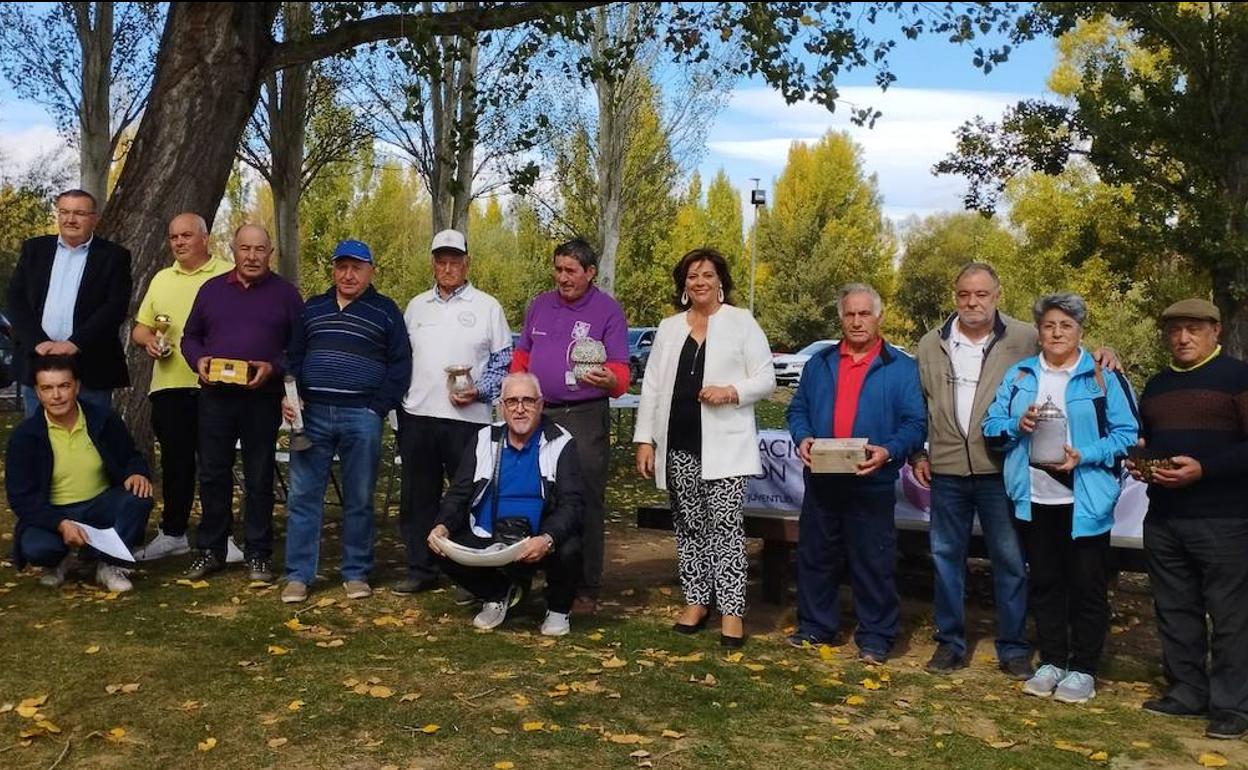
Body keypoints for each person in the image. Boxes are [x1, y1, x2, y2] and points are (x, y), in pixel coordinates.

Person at [983, 292, 1137, 705]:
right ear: (1039, 331)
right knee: (1046, 583)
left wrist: (1084, 456)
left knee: (1086, 587)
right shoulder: (1020, 375)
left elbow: (1127, 435)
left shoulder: (1102, 376)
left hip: (1085, 499)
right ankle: (1051, 660)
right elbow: (991, 426)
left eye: (1065, 325)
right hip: (1033, 497)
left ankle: (1084, 668)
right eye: (1049, 325)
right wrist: (1018, 423)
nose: (1056, 332)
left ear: (1080, 330)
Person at [633, 248, 775, 648]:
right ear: (683, 284)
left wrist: (732, 391)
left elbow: (766, 379)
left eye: (707, 275)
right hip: (678, 443)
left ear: (720, 281)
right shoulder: (669, 327)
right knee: (689, 525)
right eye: (692, 276)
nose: (700, 282)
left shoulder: (741, 323)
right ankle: (697, 600)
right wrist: (646, 439)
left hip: (725, 447)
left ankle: (731, 610)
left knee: (726, 527)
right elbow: (653, 387)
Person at [785, 283, 927, 663]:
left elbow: (915, 423)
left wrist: (889, 451)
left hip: (872, 478)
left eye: (864, 314)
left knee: (873, 559)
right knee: (816, 554)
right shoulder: (820, 363)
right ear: (841, 318)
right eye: (850, 314)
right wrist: (803, 437)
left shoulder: (901, 368)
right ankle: (815, 626)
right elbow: (797, 409)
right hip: (823, 478)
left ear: (878, 317)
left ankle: (877, 637)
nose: (857, 321)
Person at [1129, 298, 1248, 740]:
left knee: (1231, 614)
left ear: (1215, 331)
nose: (1182, 338)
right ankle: (1187, 690)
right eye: (1175, 329)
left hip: (1224, 518)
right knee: (1175, 608)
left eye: (1193, 329)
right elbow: (1148, 438)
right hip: (1164, 516)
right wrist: (1139, 460)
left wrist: (1205, 468)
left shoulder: (1239, 377)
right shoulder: (1157, 385)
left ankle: (1232, 705)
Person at [913, 263, 1036, 679]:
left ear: (997, 295)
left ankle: (1014, 647)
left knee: (1009, 559)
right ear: (955, 296)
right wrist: (918, 455)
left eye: (981, 294)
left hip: (1000, 468)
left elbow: (1068, 356)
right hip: (946, 469)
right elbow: (919, 406)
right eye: (965, 294)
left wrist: (1106, 355)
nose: (973, 302)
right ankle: (949, 643)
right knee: (947, 558)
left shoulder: (1025, 338)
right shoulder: (931, 344)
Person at [280, 240, 411, 603]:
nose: (348, 274)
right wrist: (291, 396)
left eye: (356, 267)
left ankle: (355, 572)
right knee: (304, 497)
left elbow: (401, 364)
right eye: (342, 267)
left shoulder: (385, 311)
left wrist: (377, 408)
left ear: (371, 271)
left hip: (362, 416)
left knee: (359, 497)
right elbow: (292, 356)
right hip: (312, 416)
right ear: (334, 270)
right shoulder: (313, 308)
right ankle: (299, 576)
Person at [180, 224, 304, 582]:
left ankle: (258, 553)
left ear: (271, 253)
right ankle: (211, 550)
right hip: (215, 397)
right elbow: (191, 336)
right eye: (245, 249)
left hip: (260, 399)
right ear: (233, 250)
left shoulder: (286, 295)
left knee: (260, 476)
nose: (252, 256)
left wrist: (275, 367)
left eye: (259, 249)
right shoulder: (212, 290)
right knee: (213, 473)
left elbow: (298, 348)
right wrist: (198, 360)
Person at [511, 238, 629, 614]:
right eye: (558, 269)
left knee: (586, 500)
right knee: (538, 494)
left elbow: (622, 376)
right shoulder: (540, 306)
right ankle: (538, 577)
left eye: (571, 271)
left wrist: (607, 379)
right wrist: (516, 395)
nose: (563, 277)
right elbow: (522, 356)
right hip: (540, 413)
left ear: (590, 272)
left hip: (584, 414)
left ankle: (585, 588)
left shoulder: (608, 311)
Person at [394, 229, 511, 595]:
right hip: (418, 415)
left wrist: (481, 391)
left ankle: (466, 569)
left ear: (467, 263)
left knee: (469, 496)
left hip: (468, 419)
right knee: (418, 497)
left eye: (455, 261)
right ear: (433, 264)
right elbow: (402, 359)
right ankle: (421, 569)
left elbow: (503, 361)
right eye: (441, 261)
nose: (448, 268)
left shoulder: (487, 306)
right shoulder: (415, 306)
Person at [428, 373, 583, 636]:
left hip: (536, 537)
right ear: (502, 406)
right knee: (438, 545)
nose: (520, 409)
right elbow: (459, 493)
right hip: (487, 533)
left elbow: (573, 503)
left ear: (541, 404)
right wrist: (442, 526)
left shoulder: (560, 441)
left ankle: (558, 609)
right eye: (512, 401)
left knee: (570, 545)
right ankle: (497, 593)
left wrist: (546, 539)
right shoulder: (484, 438)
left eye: (528, 401)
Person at [131, 213, 237, 563]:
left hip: (216, 385)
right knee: (176, 464)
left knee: (215, 464)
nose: (178, 242)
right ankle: (174, 533)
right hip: (170, 385)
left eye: (186, 235)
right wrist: (149, 342)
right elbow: (141, 329)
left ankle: (222, 536)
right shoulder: (162, 278)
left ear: (205, 238)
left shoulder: (227, 273)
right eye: (173, 236)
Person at [6, 355, 153, 593]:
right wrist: (60, 523)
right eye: (47, 388)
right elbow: (21, 498)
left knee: (140, 498)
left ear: (77, 386)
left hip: (99, 506)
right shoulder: (25, 437)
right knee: (36, 548)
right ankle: (57, 562)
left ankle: (109, 564)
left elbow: (130, 456)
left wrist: (136, 472)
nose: (56, 395)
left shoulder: (104, 419)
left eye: (64, 386)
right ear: (38, 392)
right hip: (54, 512)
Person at [8, 189, 132, 417]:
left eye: (79, 213)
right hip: (38, 362)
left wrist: (75, 343)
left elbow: (115, 307)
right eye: (64, 212)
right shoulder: (34, 250)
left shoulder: (114, 257)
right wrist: (38, 342)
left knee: (92, 439)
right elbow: (16, 301)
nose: (70, 219)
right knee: (40, 442)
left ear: (94, 218)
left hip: (91, 366)